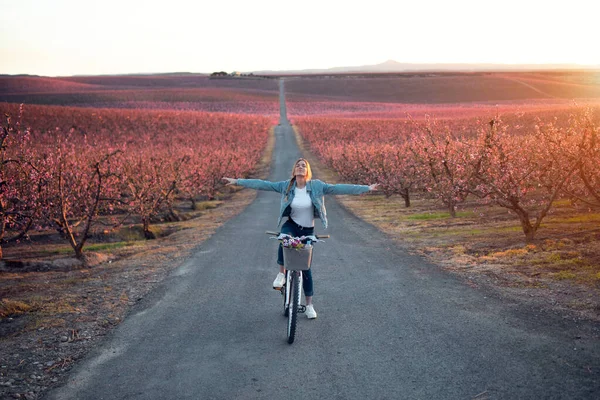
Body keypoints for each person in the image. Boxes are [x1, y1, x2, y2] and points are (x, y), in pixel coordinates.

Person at [223, 158, 378, 319]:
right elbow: (263, 184)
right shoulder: (286, 186)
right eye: (298, 165)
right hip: (291, 225)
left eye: (304, 165)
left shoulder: (317, 186)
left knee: (306, 269)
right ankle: (281, 274)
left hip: (308, 230)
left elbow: (338, 188)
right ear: (294, 170)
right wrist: (237, 181)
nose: (300, 167)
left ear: (308, 170)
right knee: (284, 238)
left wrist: (366, 188)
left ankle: (309, 305)